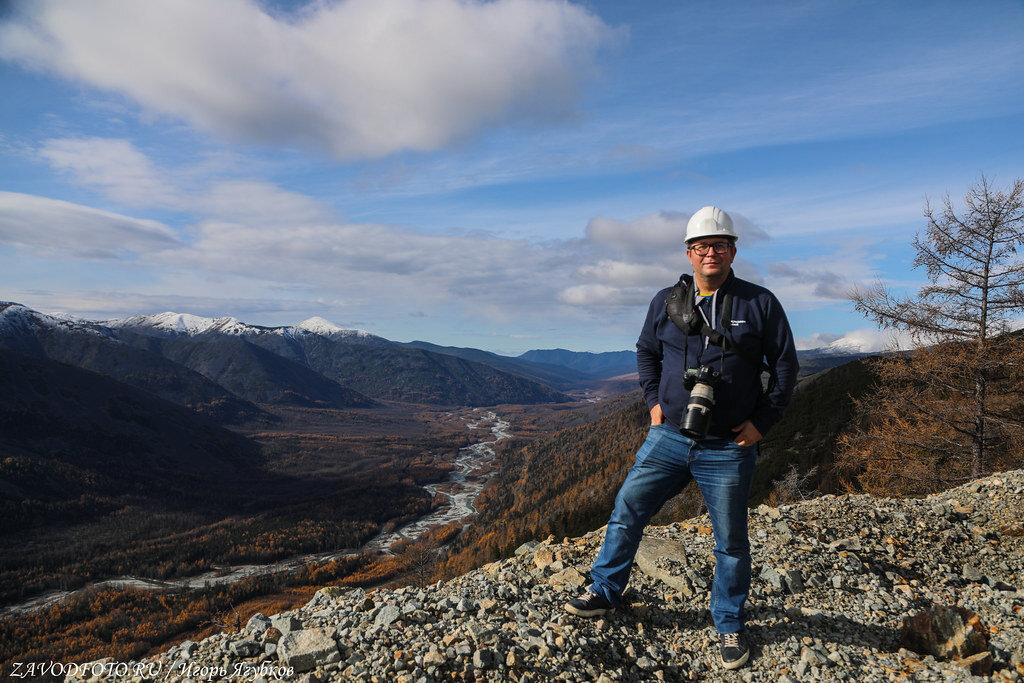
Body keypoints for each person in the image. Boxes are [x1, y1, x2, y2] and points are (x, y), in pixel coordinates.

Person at [563, 206, 799, 671]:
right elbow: (646, 351)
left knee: (730, 540)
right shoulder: (665, 301)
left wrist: (762, 423)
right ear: (689, 253)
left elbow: (787, 367)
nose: (711, 252)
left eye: (720, 245)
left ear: (733, 251)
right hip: (668, 435)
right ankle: (605, 590)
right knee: (628, 508)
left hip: (728, 446)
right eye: (702, 246)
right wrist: (653, 402)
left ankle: (729, 624)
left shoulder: (760, 303)